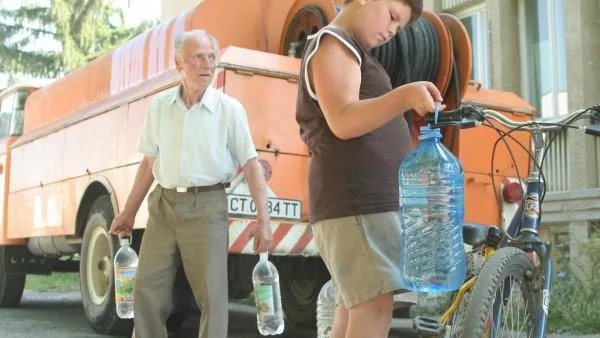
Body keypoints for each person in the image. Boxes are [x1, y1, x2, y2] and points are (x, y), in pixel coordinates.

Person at [295, 1, 445, 337]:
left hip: (360, 205)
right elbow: (344, 119)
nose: (392, 31)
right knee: (374, 310)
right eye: (393, 17)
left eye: (399, 27)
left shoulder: (351, 50)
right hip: (357, 204)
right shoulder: (333, 43)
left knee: (354, 313)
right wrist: (404, 96)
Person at [110, 29, 273, 338]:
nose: (207, 65)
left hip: (207, 206)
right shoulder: (159, 107)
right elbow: (148, 163)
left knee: (212, 295)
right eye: (198, 57)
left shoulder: (229, 110)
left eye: (212, 57)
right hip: (163, 204)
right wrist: (129, 212)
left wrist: (263, 221)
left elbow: (252, 165)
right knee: (146, 291)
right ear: (179, 63)